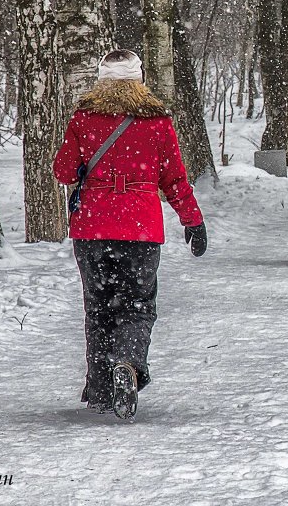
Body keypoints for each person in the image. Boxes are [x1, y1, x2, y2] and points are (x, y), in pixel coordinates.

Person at [53, 49, 207, 419]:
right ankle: (129, 364)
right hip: (140, 226)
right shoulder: (156, 121)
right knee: (138, 304)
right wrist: (193, 221)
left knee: (98, 307)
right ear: (138, 78)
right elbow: (175, 179)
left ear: (102, 79)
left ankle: (103, 388)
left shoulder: (85, 118)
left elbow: (64, 172)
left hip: (93, 226)